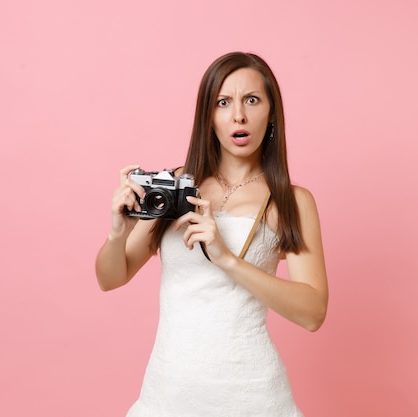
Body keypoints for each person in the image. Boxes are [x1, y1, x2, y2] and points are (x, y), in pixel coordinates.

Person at [95, 52, 328, 417]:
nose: (239, 115)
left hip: (253, 397)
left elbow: (313, 313)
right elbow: (111, 278)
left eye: (252, 100)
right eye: (223, 102)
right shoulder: (175, 187)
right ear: (209, 116)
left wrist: (225, 258)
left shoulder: (290, 202)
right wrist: (116, 233)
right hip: (168, 393)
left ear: (271, 114)